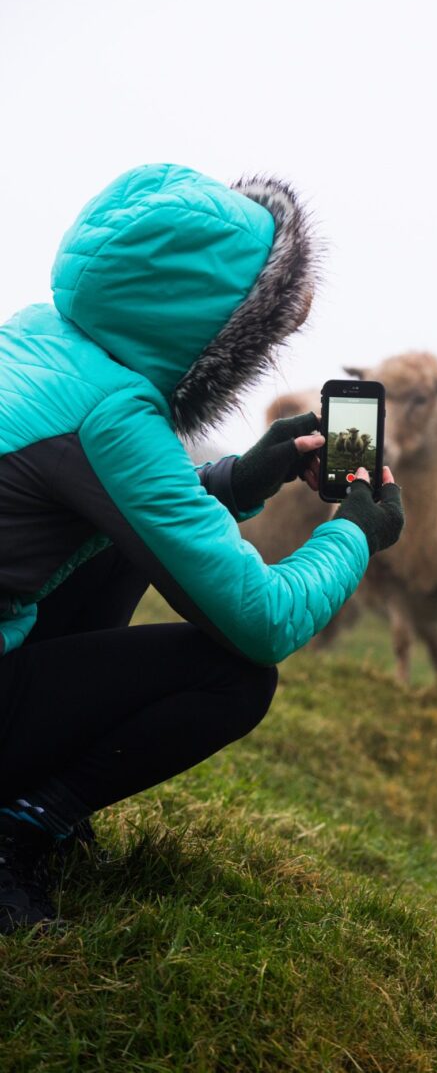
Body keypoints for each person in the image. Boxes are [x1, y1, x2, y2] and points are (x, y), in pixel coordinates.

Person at [0, 163, 404, 933]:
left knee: (125, 543)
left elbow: (114, 491)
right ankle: (19, 824)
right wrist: (357, 531)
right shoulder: (114, 416)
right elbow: (261, 619)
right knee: (235, 675)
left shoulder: (37, 335)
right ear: (216, 326)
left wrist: (236, 477)